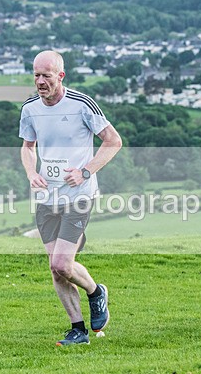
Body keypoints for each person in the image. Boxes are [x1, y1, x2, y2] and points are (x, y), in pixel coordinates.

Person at [19, 50, 123, 346]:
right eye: (36, 75)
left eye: (46, 76)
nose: (40, 81)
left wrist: (86, 172)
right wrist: (31, 173)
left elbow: (114, 141)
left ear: (60, 76)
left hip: (78, 195)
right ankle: (77, 330)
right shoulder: (29, 109)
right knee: (55, 267)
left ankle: (95, 292)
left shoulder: (81, 105)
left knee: (63, 264)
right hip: (45, 198)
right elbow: (28, 147)